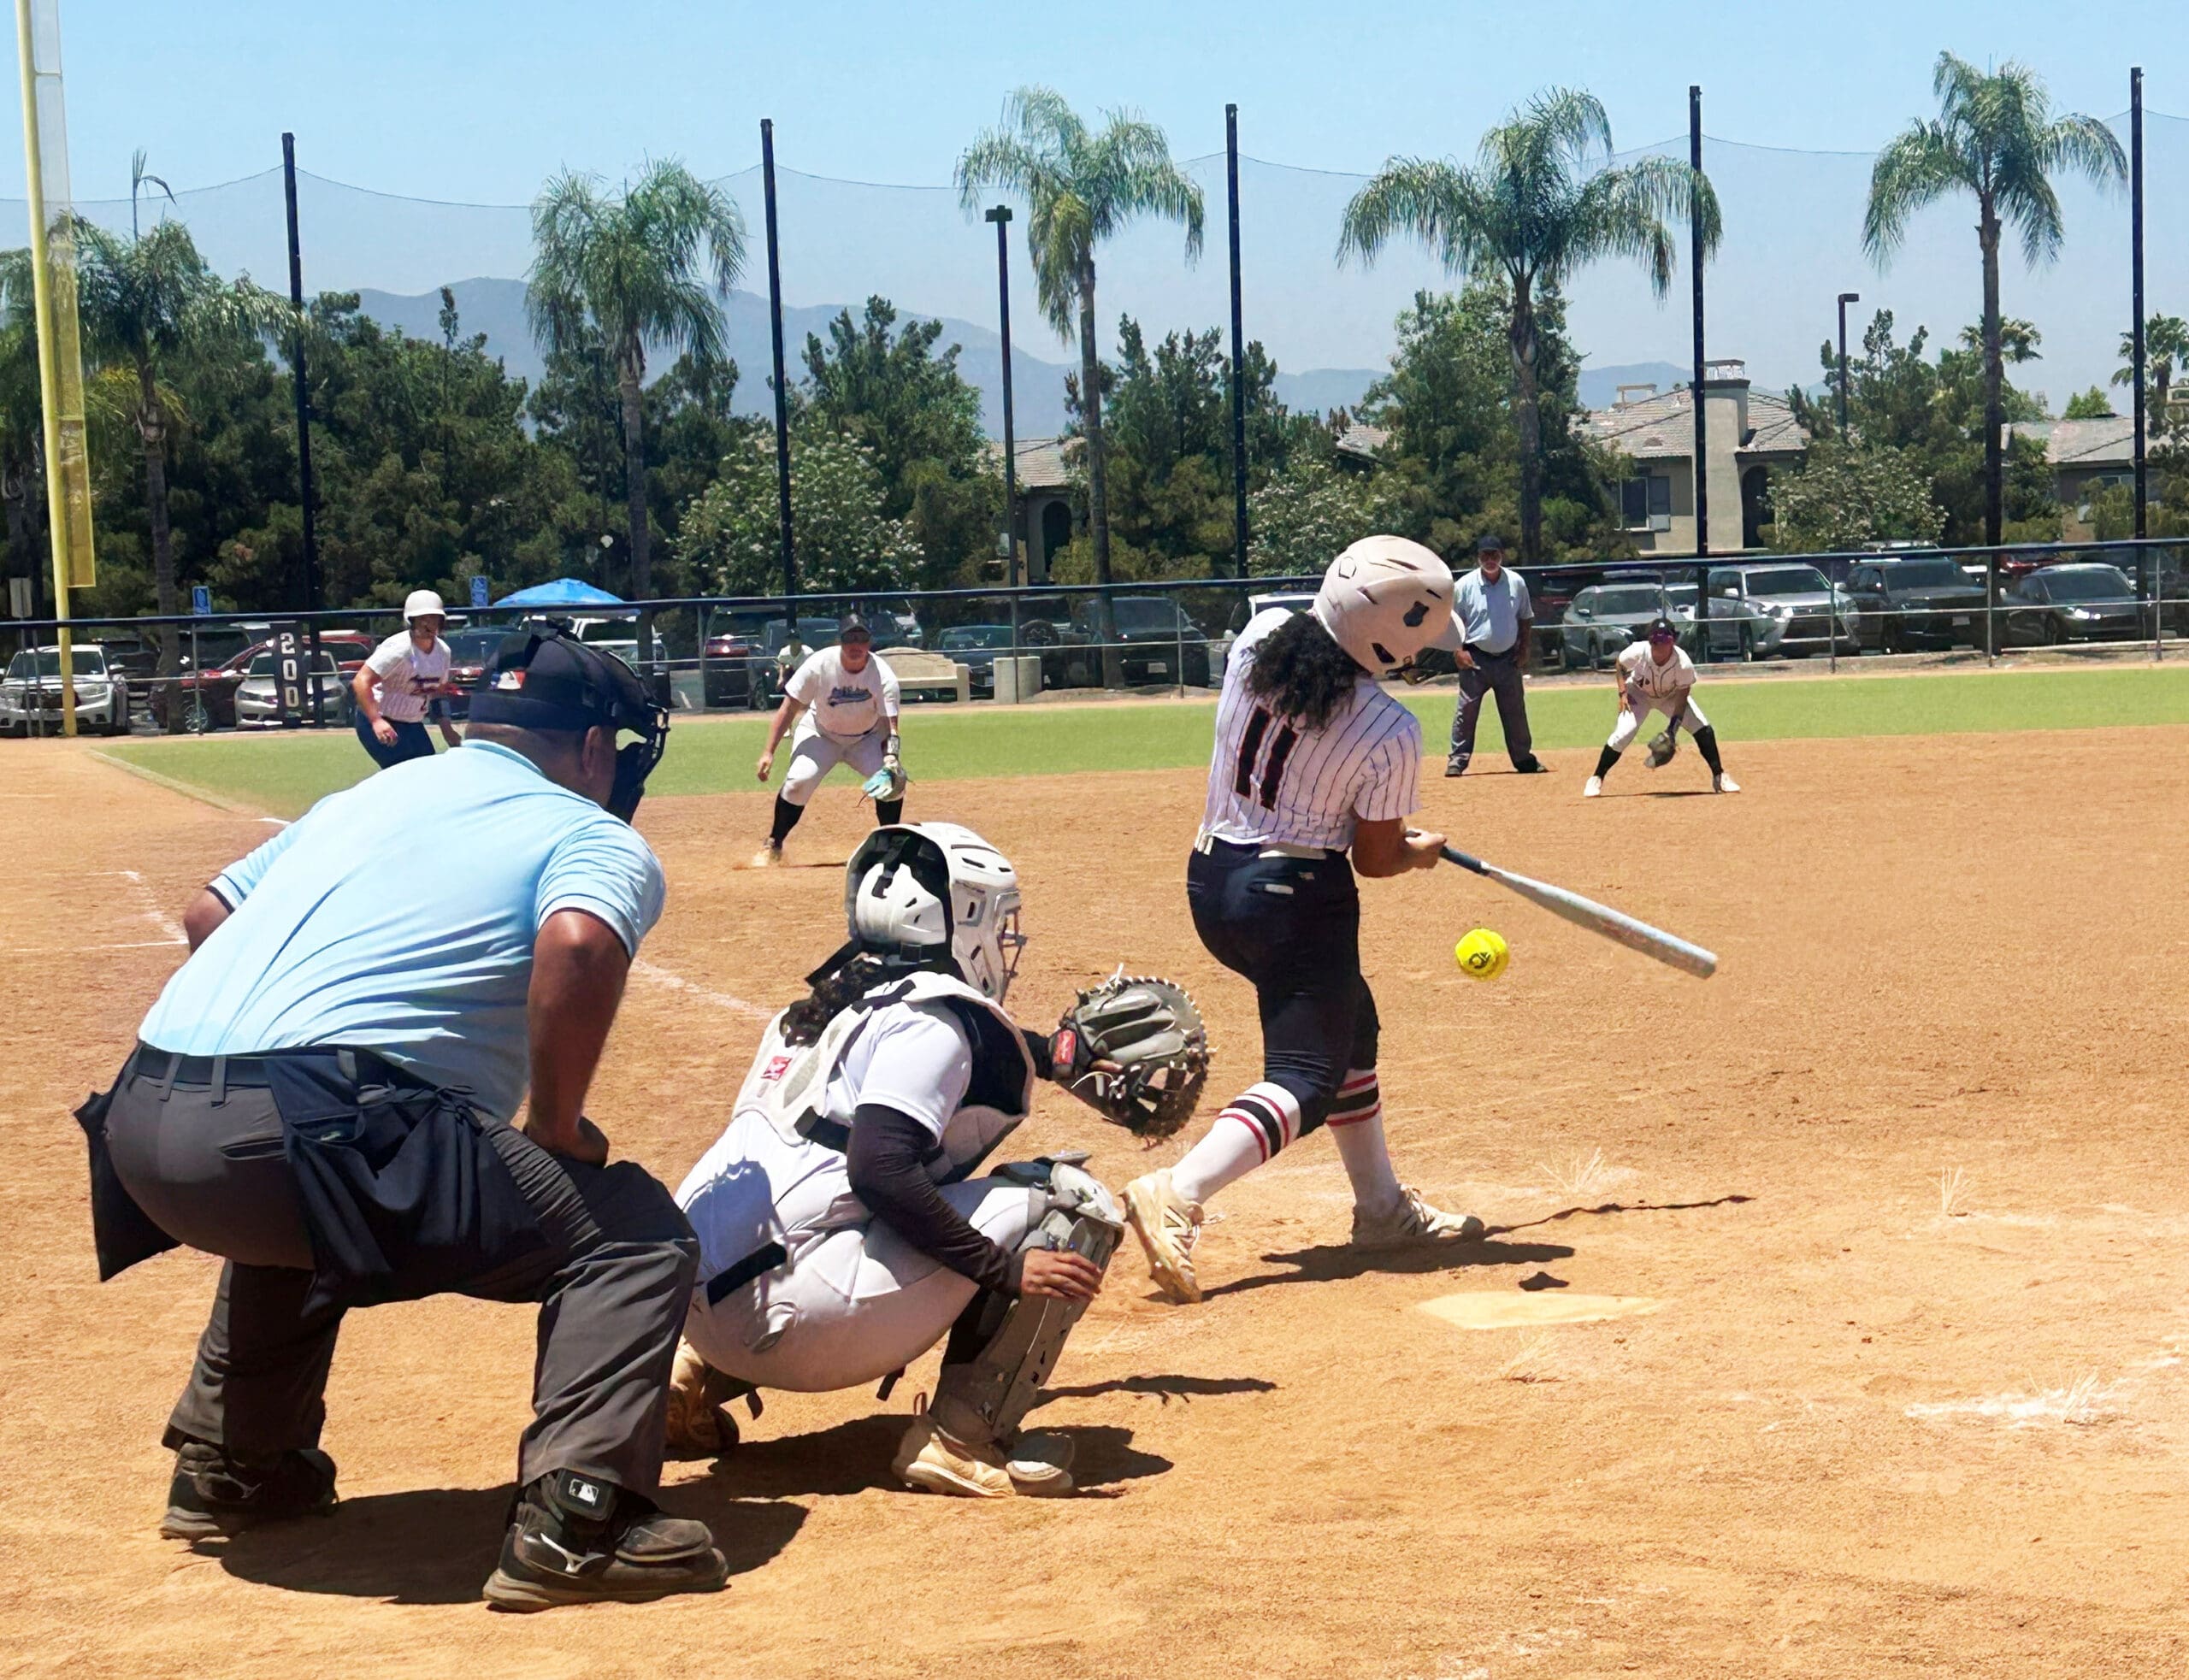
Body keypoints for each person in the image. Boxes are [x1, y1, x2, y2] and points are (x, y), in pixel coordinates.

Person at [73, 625, 731, 1612]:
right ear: (596, 749)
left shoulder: (372, 792)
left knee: (318, 1184)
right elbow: (583, 944)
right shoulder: (588, 831)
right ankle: (580, 1522)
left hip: (144, 1124)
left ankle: (238, 1464)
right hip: (292, 1129)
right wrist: (556, 1121)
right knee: (631, 1233)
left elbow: (208, 915)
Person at [667, 823, 1204, 1497]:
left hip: (693, 1306)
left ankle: (689, 1380)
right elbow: (879, 1170)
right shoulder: (931, 1025)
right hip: (792, 1322)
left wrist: (1055, 1056)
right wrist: (1001, 1267)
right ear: (965, 921)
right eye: (1000, 921)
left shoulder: (815, 1010)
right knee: (1071, 1205)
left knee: (808, 1199)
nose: (1007, 942)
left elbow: (928, 1058)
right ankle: (962, 1436)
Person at [1121, 536, 1486, 1306]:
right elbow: (1374, 858)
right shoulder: (1389, 729)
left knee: (1350, 1025)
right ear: (1388, 643)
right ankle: (1179, 1190)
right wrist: (1417, 852)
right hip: (1296, 897)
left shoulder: (1260, 636)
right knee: (1307, 1079)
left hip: (1212, 880)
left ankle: (1382, 1209)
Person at [752, 615, 905, 867]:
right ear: (840, 641)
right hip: (820, 734)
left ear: (870, 642)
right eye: (849, 638)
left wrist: (891, 760)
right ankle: (773, 843)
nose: (856, 645)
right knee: (799, 782)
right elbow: (788, 709)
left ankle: (890, 847)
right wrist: (769, 752)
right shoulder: (819, 664)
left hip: (865, 739)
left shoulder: (884, 676)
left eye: (862, 638)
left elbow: (890, 726)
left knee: (893, 785)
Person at [1584, 617, 1740, 797]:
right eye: (1656, 640)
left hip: (1671, 696)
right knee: (1623, 735)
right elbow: (1620, 664)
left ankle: (1720, 776)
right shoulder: (1638, 651)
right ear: (1650, 640)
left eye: (1665, 640)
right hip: (1639, 694)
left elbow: (1682, 699)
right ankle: (1596, 777)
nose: (1660, 645)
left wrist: (1672, 730)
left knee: (1703, 729)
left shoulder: (1683, 664)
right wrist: (1623, 693)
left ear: (1673, 641)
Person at [1437, 534, 1546, 778]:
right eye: (1485, 555)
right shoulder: (1463, 586)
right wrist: (1458, 650)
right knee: (1466, 711)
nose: (1490, 560)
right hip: (1475, 658)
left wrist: (1524, 649)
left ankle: (1523, 759)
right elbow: (1453, 622)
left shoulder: (1516, 583)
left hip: (1508, 659)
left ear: (1502, 556)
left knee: (1515, 712)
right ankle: (1457, 761)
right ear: (1478, 558)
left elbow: (1526, 617)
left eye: (1494, 555)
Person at [353, 590, 461, 769]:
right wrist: (376, 721)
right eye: (422, 619)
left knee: (428, 772)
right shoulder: (399, 649)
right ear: (411, 621)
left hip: (412, 724)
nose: (429, 624)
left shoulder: (443, 652)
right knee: (401, 773)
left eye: (434, 619)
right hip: (381, 718)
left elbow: (438, 693)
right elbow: (361, 681)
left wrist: (446, 728)